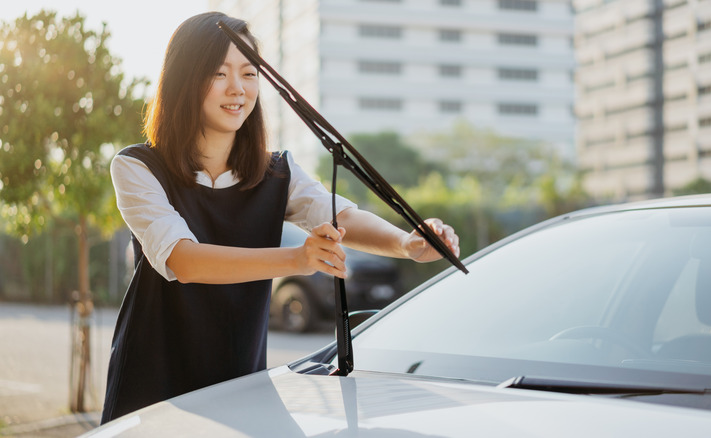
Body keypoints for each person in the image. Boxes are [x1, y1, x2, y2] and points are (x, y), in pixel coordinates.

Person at [100, 11, 460, 423]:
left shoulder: (277, 173)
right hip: (152, 390)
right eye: (219, 73)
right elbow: (184, 260)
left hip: (241, 384)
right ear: (185, 78)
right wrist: (297, 260)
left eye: (249, 73)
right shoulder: (138, 168)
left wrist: (406, 244)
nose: (237, 88)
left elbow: (339, 214)